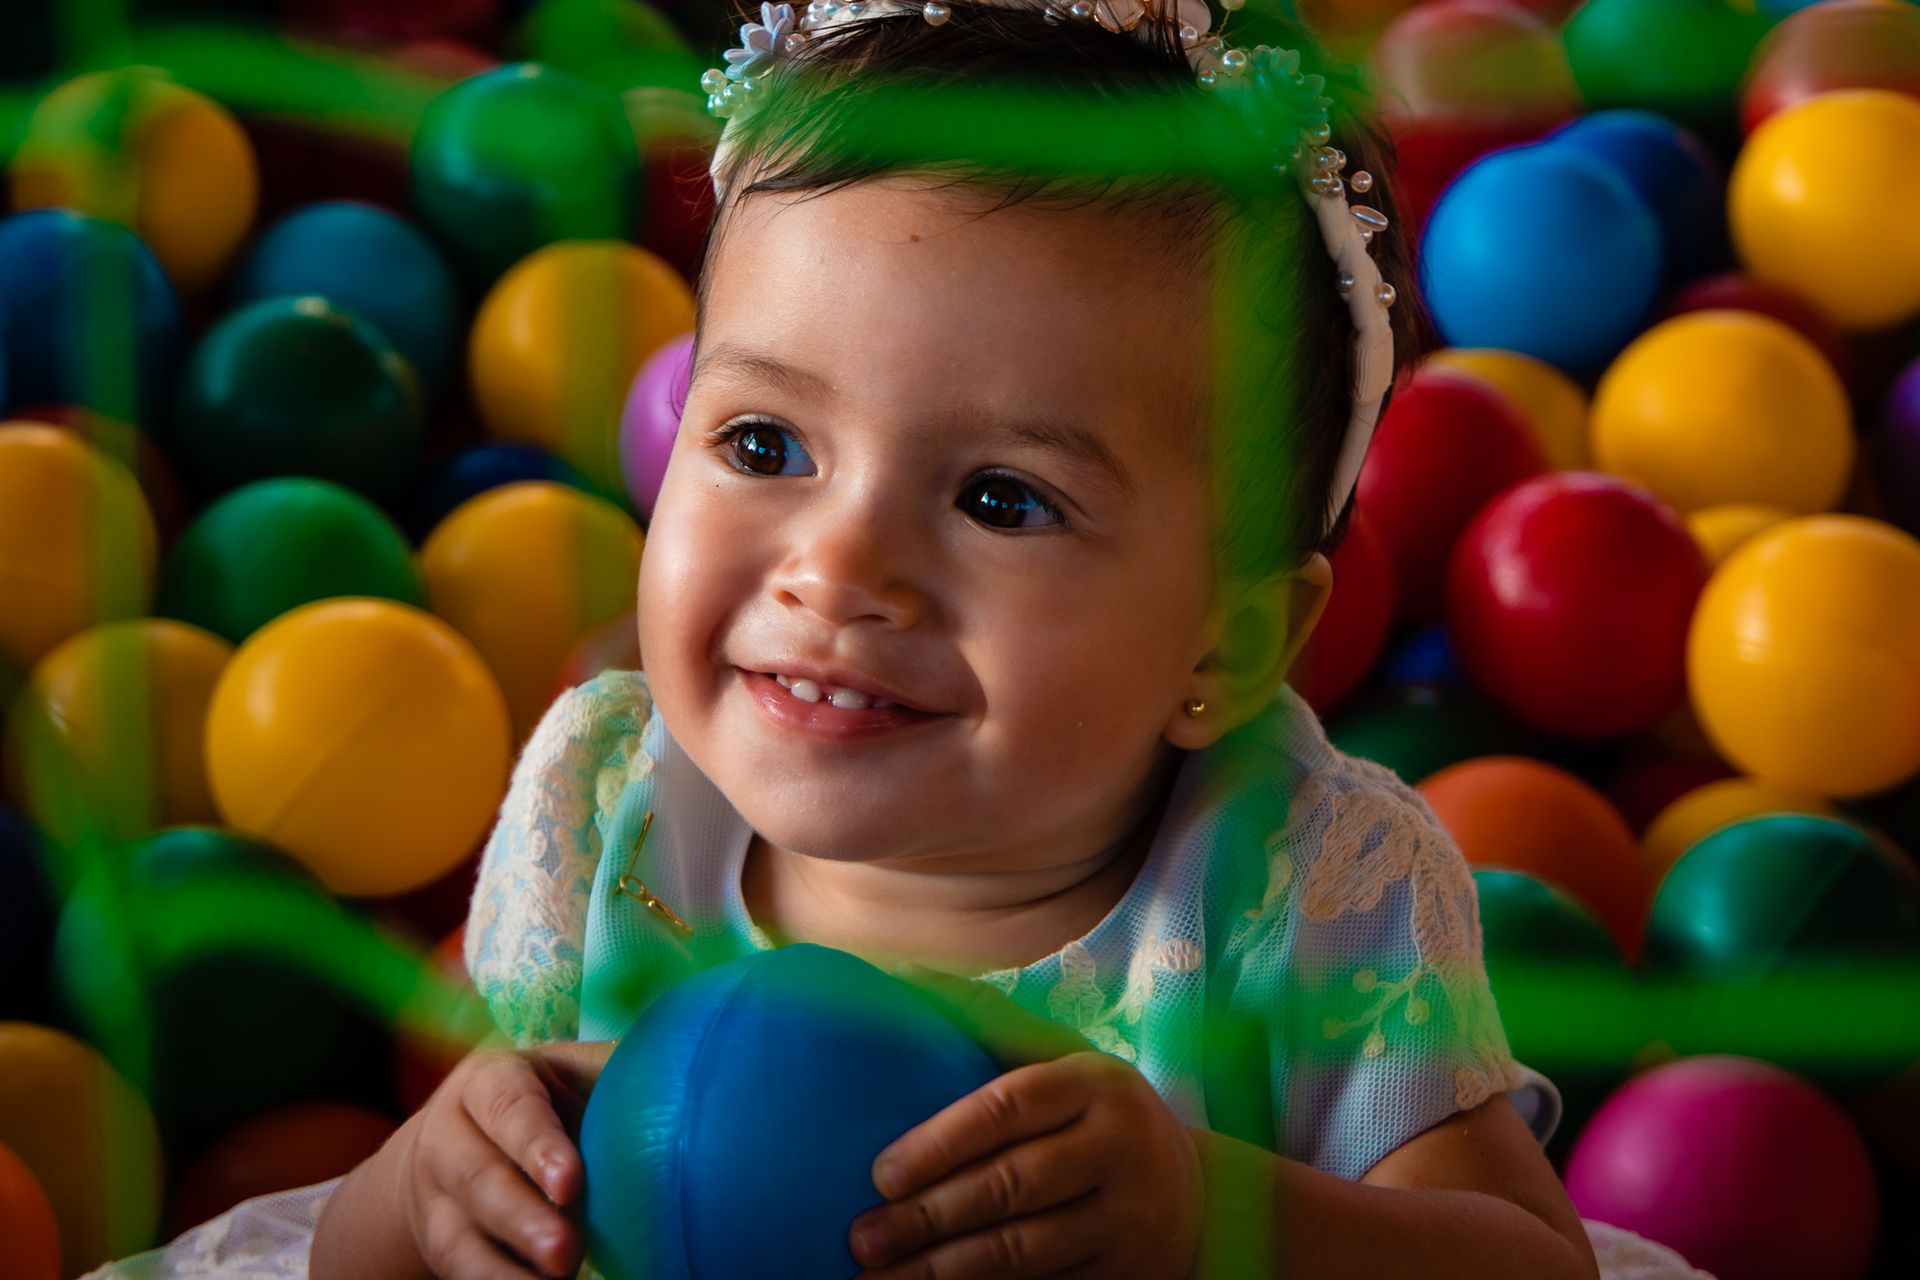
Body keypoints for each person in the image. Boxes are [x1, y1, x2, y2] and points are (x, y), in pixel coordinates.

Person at [96, 3, 1700, 1277]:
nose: (841, 565)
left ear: (1230, 640)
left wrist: (1218, 1222)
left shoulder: (1306, 881)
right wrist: (426, 1191)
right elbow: (418, 1238)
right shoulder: (606, 808)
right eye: (765, 448)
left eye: (1002, 499)